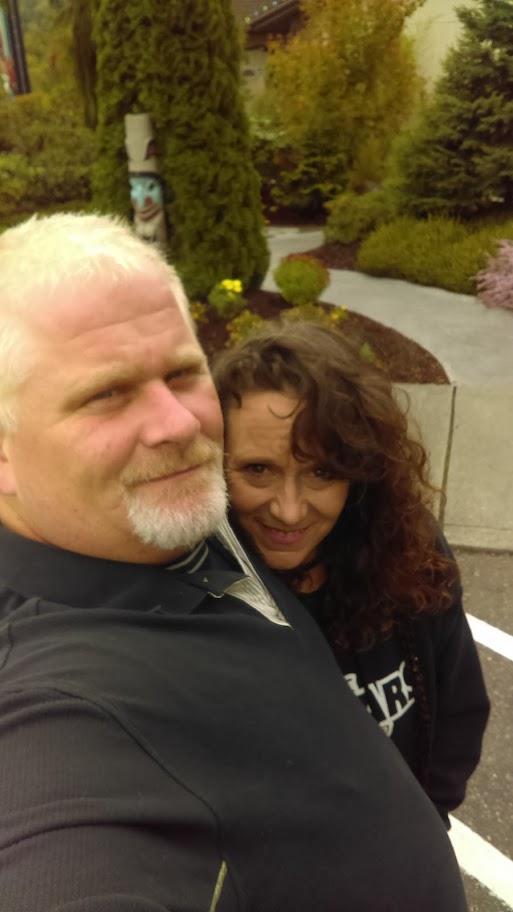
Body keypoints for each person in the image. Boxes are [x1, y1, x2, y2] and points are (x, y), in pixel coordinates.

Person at [0, 213, 469, 912]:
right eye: (106, 394)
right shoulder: (55, 704)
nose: (178, 424)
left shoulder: (182, 515)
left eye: (182, 373)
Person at [213, 319, 490, 829]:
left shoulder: (408, 554)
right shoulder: (193, 594)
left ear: (361, 472)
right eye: (258, 469)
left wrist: (426, 823)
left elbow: (459, 706)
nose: (290, 511)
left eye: (322, 472)